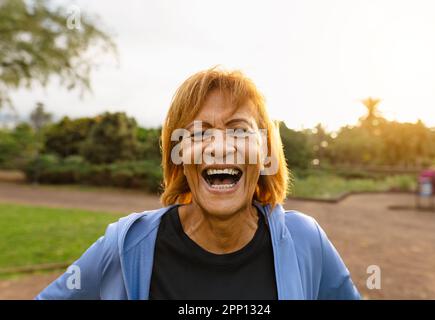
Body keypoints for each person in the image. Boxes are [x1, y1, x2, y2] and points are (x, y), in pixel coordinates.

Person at [36, 68, 360, 300]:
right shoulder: (126, 244)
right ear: (179, 156)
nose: (219, 146)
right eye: (199, 133)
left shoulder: (306, 240)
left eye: (239, 130)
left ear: (264, 153)